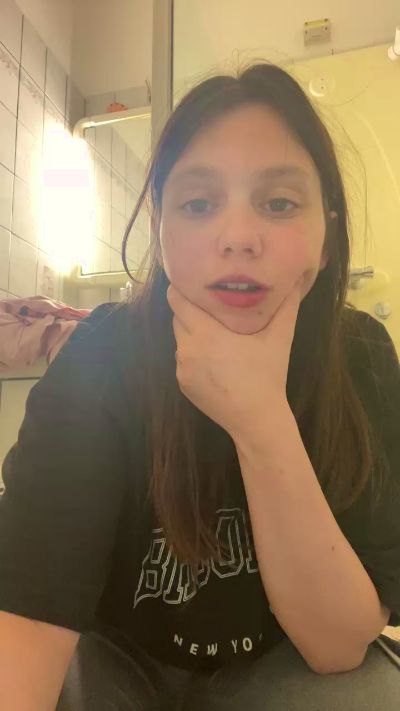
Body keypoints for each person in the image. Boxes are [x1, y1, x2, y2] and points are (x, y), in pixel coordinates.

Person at [0, 61, 399, 711]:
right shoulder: (101, 356)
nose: (238, 238)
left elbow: (338, 647)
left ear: (326, 237)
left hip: (279, 664)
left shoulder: (360, 358)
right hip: (112, 657)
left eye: (279, 203)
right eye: (198, 204)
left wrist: (260, 418)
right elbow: (29, 620)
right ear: (161, 230)